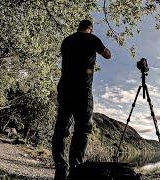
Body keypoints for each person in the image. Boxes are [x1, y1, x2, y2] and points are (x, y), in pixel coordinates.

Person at [52, 19, 111, 180]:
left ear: (78, 27)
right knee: (82, 130)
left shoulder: (67, 40)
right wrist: (104, 50)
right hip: (82, 91)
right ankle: (76, 171)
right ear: (90, 29)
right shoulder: (92, 39)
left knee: (61, 129)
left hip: (64, 89)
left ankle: (61, 169)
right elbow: (107, 55)